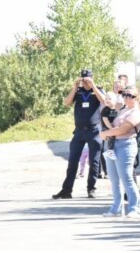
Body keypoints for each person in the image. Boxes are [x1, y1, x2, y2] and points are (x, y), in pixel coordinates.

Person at [53, 69, 106, 199]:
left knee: (94, 162)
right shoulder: (78, 92)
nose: (85, 82)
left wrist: (93, 86)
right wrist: (75, 87)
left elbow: (105, 102)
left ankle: (91, 188)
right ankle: (67, 190)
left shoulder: (97, 90)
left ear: (92, 78)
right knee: (72, 161)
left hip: (94, 131)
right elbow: (66, 103)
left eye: (87, 79)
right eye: (83, 80)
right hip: (79, 131)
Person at [98, 86, 140, 219]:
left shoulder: (136, 112)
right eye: (124, 94)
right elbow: (108, 100)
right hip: (112, 144)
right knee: (114, 179)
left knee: (126, 178)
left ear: (136, 97)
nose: (125, 97)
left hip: (126, 145)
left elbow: (123, 129)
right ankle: (116, 208)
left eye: (129, 95)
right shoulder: (122, 109)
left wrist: (105, 133)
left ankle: (135, 208)